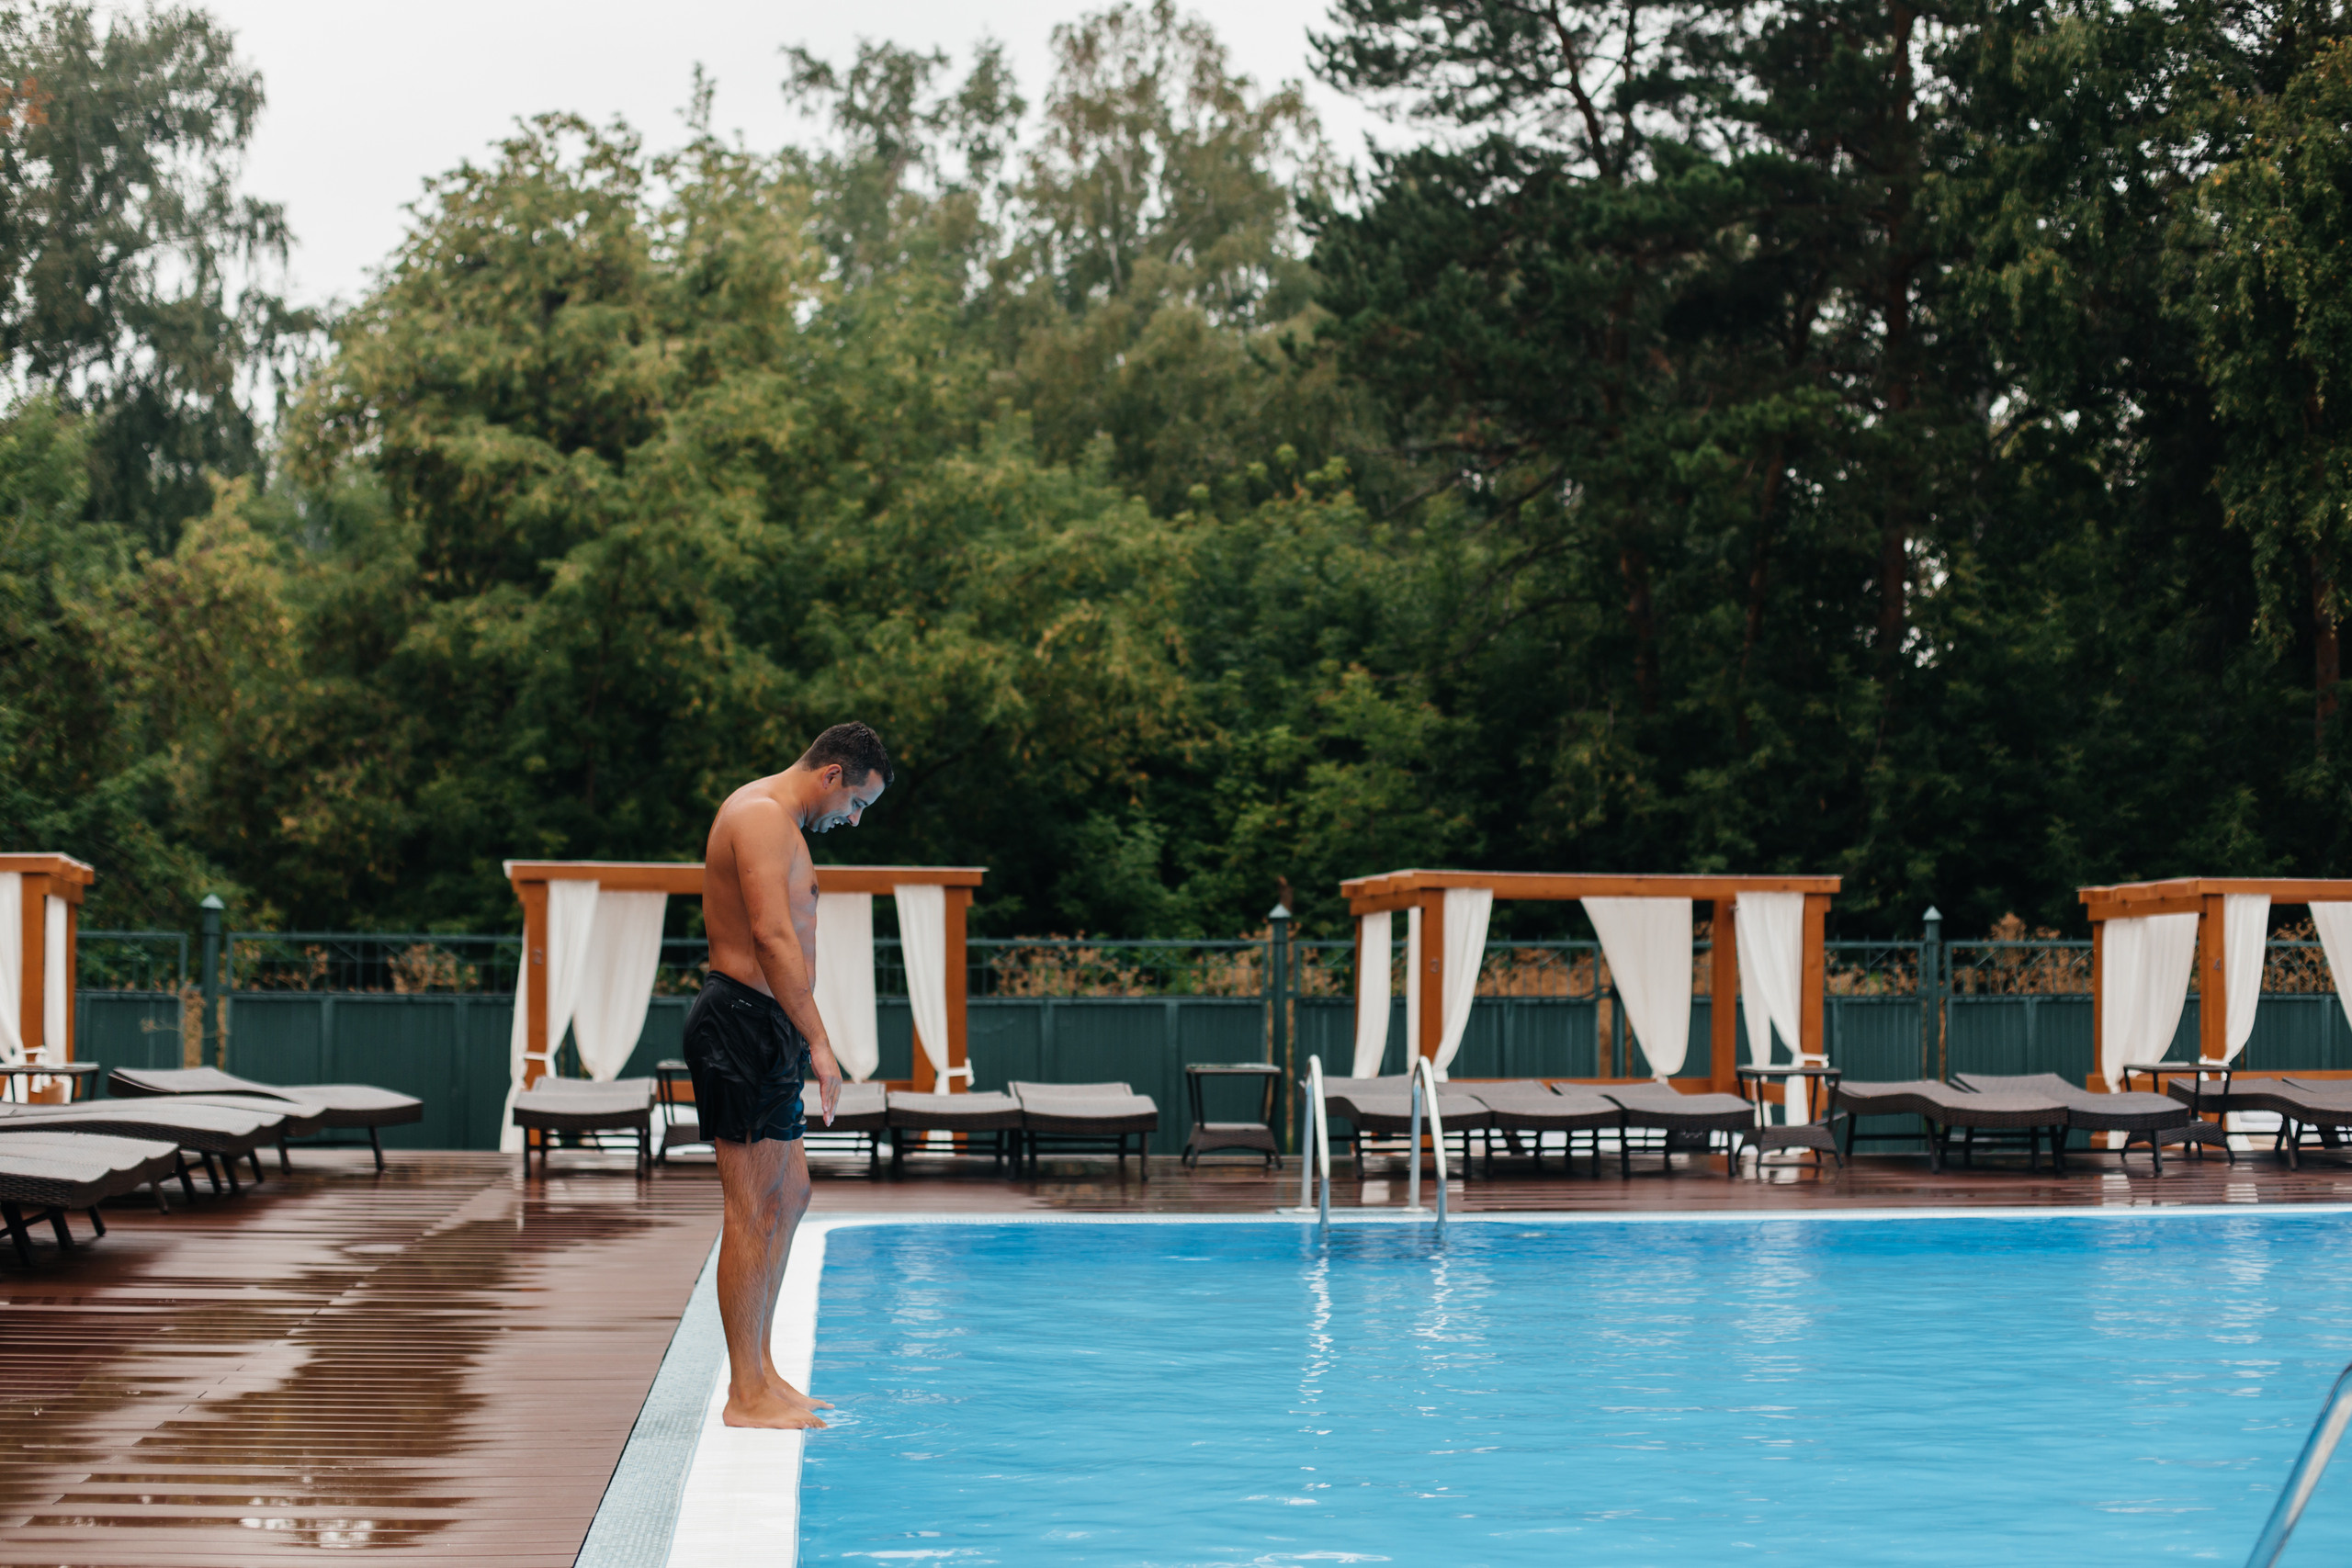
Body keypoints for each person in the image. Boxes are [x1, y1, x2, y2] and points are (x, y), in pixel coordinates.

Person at [687, 721, 891, 1428]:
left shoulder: (784, 826)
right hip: (739, 1022)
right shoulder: (759, 815)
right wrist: (821, 1043)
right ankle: (745, 1393)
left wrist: (799, 1035)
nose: (854, 819)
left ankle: (763, 1371)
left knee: (792, 1192)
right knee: (752, 1206)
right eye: (857, 802)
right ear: (832, 774)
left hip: (767, 1027)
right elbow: (772, 936)